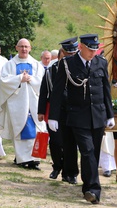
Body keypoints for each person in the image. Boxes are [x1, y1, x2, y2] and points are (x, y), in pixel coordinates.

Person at [48, 34, 115, 205]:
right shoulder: (68, 64)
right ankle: (94, 189)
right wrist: (53, 116)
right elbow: (57, 92)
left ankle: (87, 187)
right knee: (87, 150)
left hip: (98, 115)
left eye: (95, 50)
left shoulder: (101, 62)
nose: (93, 53)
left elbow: (106, 90)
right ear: (81, 47)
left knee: (92, 153)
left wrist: (110, 114)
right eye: (90, 50)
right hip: (78, 116)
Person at [0, 38, 45, 170]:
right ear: (16, 48)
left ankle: (35, 159)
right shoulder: (9, 64)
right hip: (17, 104)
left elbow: (42, 82)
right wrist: (19, 78)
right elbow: (4, 81)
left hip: (34, 103)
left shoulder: (36, 65)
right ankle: (22, 159)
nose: (24, 49)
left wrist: (30, 79)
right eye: (21, 46)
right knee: (20, 129)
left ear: (30, 48)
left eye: (26, 46)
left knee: (36, 130)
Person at [37, 37, 80, 183]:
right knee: (55, 141)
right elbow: (44, 91)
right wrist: (41, 111)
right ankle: (57, 167)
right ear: (62, 53)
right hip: (55, 109)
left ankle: (71, 172)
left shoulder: (79, 68)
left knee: (71, 142)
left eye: (73, 54)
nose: (70, 57)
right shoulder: (51, 70)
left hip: (73, 109)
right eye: (67, 54)